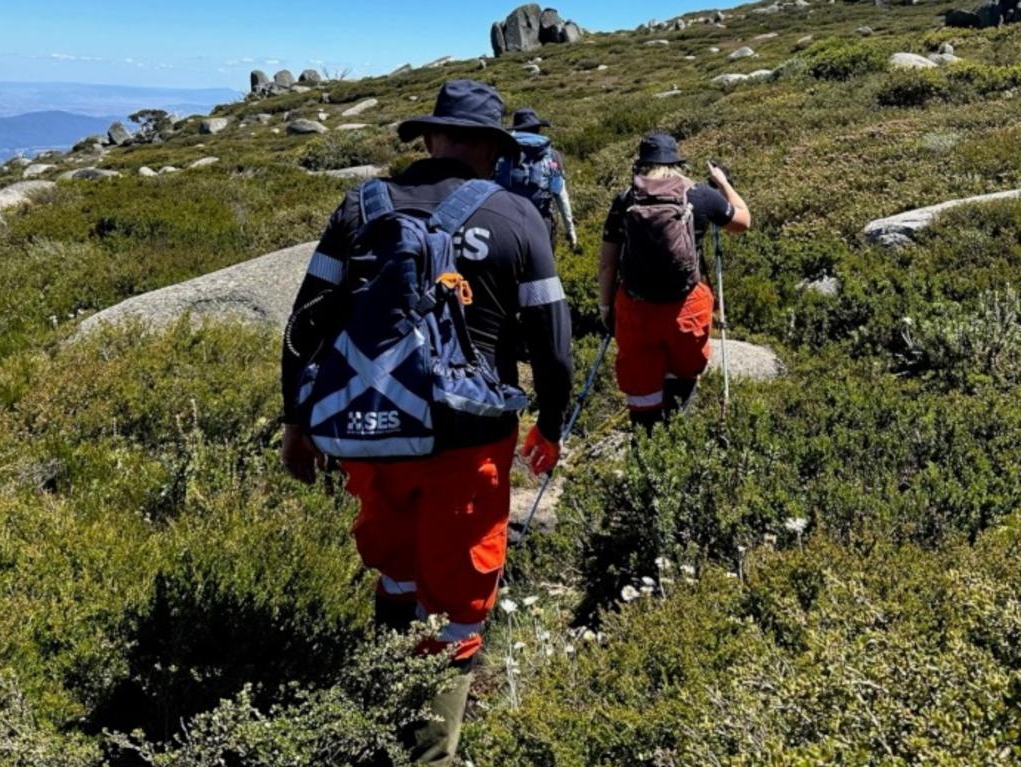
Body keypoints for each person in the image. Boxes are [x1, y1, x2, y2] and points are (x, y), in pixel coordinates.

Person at [280, 79, 573, 765]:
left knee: (397, 573)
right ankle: (427, 752)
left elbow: (305, 323)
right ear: (490, 147)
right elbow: (553, 345)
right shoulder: (517, 216)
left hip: (372, 430)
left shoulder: (361, 205)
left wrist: (298, 422)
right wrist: (552, 425)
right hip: (468, 445)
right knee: (459, 600)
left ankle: (383, 708)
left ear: (431, 137)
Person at [598, 133, 751, 432]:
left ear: (641, 165)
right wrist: (722, 183)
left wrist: (606, 307)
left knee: (641, 387)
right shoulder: (700, 196)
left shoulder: (625, 200)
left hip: (635, 310)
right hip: (686, 308)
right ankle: (677, 442)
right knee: (684, 376)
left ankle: (645, 443)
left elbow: (607, 264)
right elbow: (743, 222)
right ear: (677, 163)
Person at [495, 107, 581, 253]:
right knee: (541, 272)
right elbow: (560, 194)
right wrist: (570, 230)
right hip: (541, 224)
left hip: (506, 224)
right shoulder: (551, 156)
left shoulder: (502, 153)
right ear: (538, 129)